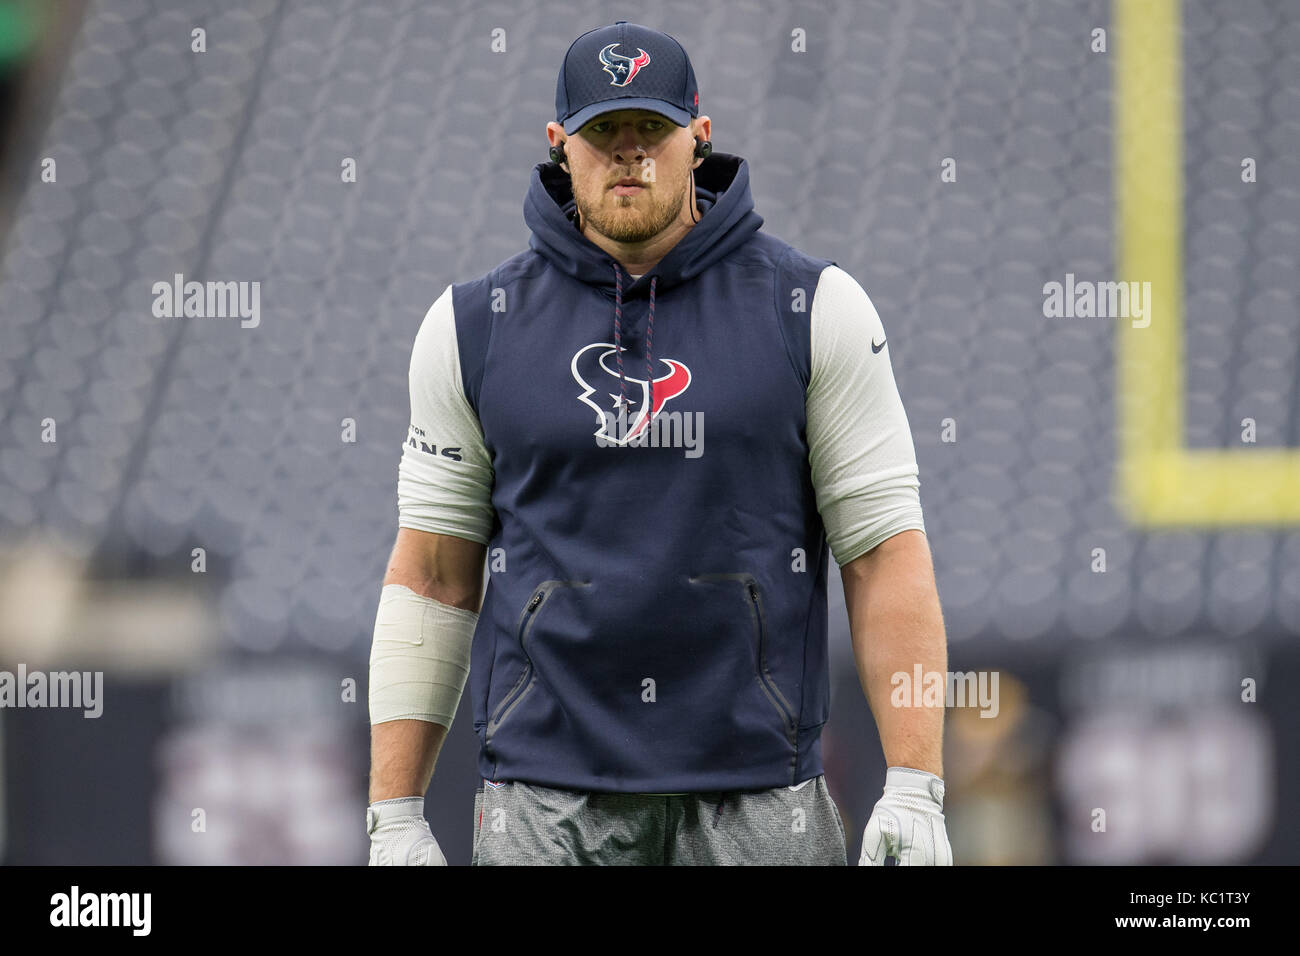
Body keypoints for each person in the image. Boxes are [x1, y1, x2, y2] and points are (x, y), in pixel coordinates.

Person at [365, 20, 952, 866]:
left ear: (699, 138)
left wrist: (915, 784)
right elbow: (431, 576)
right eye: (604, 130)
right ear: (560, 144)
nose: (628, 152)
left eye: (652, 128)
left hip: (759, 793)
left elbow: (884, 553)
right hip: (541, 797)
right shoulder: (470, 328)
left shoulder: (814, 308)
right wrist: (396, 812)